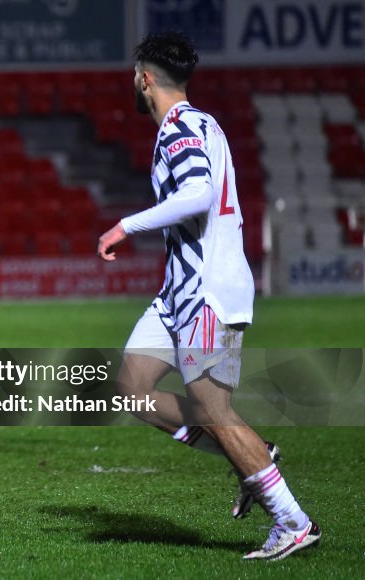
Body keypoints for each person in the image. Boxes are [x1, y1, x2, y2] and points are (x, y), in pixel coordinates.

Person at [97, 32, 319, 561]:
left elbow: (196, 194)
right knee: (130, 388)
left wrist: (124, 226)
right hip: (179, 291)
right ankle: (252, 456)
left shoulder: (179, 129)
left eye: (135, 75)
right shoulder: (197, 124)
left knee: (213, 410)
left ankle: (292, 520)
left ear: (144, 79)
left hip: (207, 294)